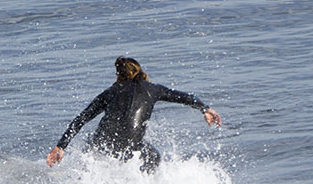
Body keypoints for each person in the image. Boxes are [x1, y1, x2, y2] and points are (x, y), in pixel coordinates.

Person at [46, 57, 222, 173]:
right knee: (154, 157)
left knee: (90, 149)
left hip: (103, 143)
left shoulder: (110, 92)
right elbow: (186, 97)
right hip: (132, 146)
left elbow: (81, 119)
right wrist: (205, 109)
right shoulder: (153, 89)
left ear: (119, 75)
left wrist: (61, 146)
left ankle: (83, 180)